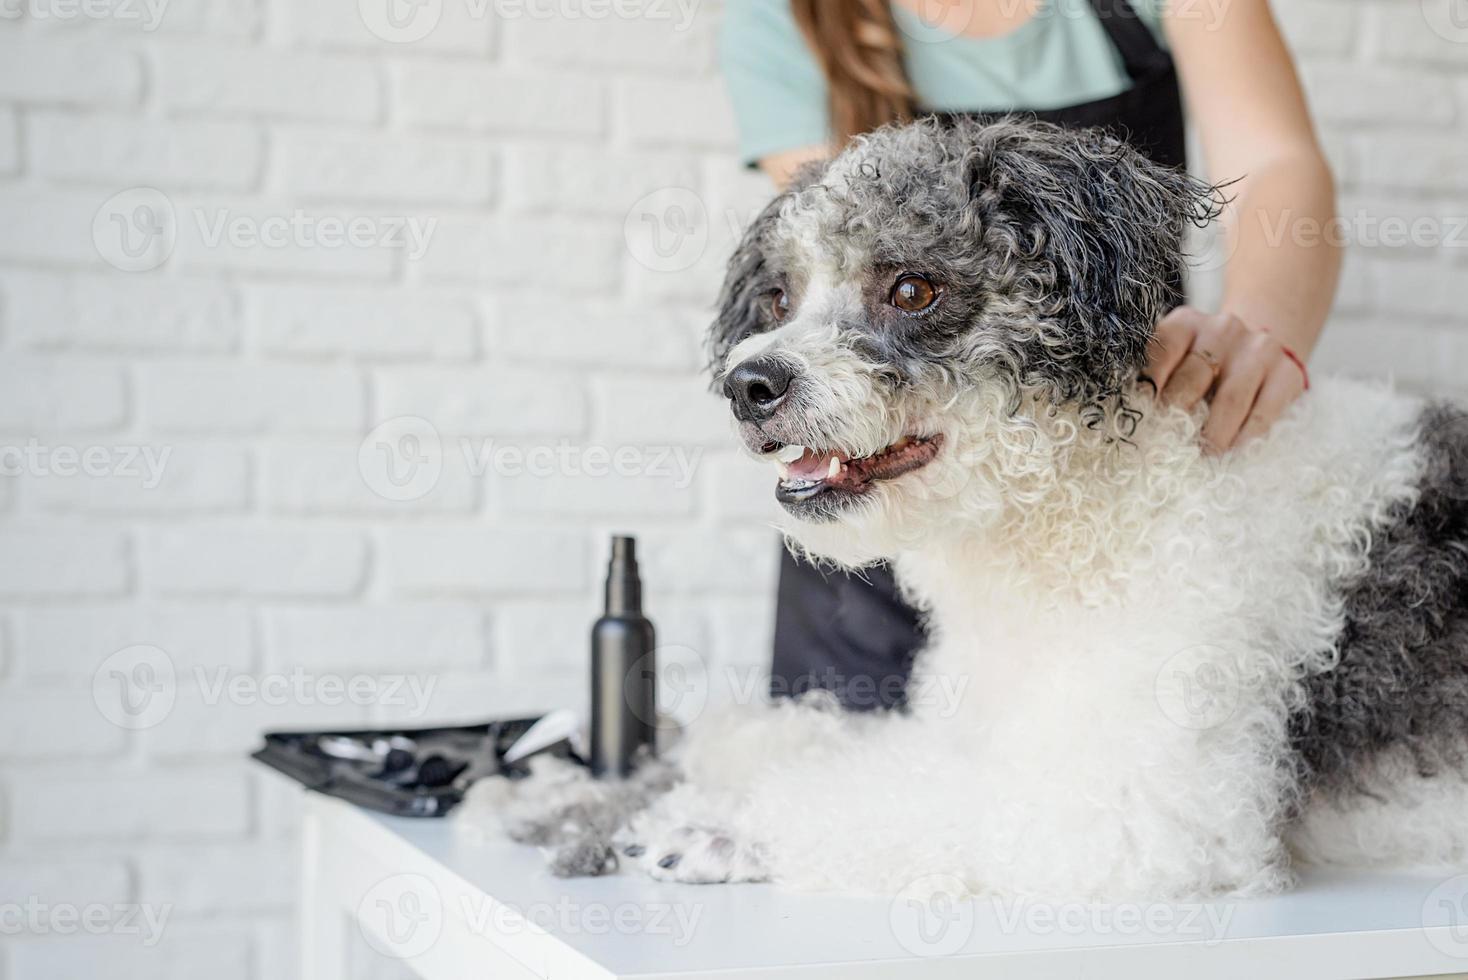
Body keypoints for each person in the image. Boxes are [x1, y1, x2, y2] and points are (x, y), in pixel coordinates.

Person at [719, 0, 1340, 711]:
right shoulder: (779, 13)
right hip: (879, 500)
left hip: (1129, 492)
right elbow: (840, 252)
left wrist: (1258, 332)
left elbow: (1274, 163)